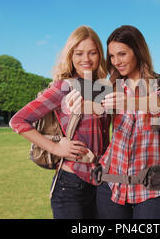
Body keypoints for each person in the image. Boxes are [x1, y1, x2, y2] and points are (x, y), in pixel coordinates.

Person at [9, 25, 110, 219]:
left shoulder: (103, 89)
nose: (86, 59)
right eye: (79, 53)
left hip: (101, 184)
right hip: (71, 185)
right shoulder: (64, 87)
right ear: (71, 56)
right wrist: (55, 148)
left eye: (92, 53)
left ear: (100, 55)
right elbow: (18, 121)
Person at [97, 25, 160, 219]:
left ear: (138, 51)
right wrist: (69, 99)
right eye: (112, 56)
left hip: (152, 189)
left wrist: (128, 102)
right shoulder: (110, 88)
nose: (116, 61)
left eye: (122, 54)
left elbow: (157, 104)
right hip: (111, 184)